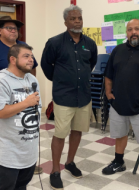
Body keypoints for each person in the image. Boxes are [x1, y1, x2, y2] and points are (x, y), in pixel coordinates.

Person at [0, 16, 41, 185]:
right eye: (9, 28)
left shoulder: (22, 47)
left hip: (24, 99)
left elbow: (32, 71)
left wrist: (29, 91)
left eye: (16, 28)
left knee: (22, 133)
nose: (14, 31)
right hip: (0, 99)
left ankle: (23, 164)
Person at [40, 5, 97, 189]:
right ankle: (55, 170)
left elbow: (92, 63)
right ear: (65, 22)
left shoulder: (89, 44)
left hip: (84, 96)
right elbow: (46, 65)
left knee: (78, 131)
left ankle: (70, 162)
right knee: (60, 133)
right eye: (73, 18)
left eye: (79, 18)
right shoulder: (55, 42)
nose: (77, 21)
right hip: (64, 97)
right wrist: (60, 80)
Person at [0, 44, 41, 190]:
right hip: (7, 151)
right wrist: (26, 103)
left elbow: (37, 107)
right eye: (26, 56)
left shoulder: (32, 80)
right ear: (12, 59)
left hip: (28, 149)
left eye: (31, 56)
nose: (31, 60)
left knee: (21, 186)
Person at [101, 19, 139, 188]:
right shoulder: (117, 50)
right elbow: (108, 73)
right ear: (126, 32)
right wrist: (108, 92)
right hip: (118, 102)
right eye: (129, 29)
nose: (133, 32)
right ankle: (119, 162)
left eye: (137, 29)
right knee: (120, 135)